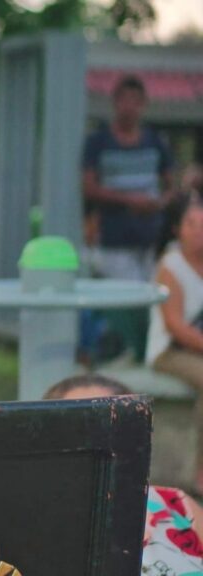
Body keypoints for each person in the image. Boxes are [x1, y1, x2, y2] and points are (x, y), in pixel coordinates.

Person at [44, 375, 203, 573]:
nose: (97, 443)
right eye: (80, 428)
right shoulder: (33, 526)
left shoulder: (176, 504)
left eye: (114, 427)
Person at [82, 75, 174, 362]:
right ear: (115, 103)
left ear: (144, 105)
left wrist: (158, 203)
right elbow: (87, 186)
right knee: (126, 299)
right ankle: (124, 351)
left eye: (136, 102)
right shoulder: (98, 142)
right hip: (114, 236)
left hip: (150, 235)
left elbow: (171, 184)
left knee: (151, 297)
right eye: (124, 101)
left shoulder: (155, 141)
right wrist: (129, 200)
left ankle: (146, 354)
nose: (130, 108)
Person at [146, 191, 203, 496]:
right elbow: (176, 326)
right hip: (170, 351)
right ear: (177, 229)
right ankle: (200, 471)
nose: (198, 231)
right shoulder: (171, 265)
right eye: (191, 224)